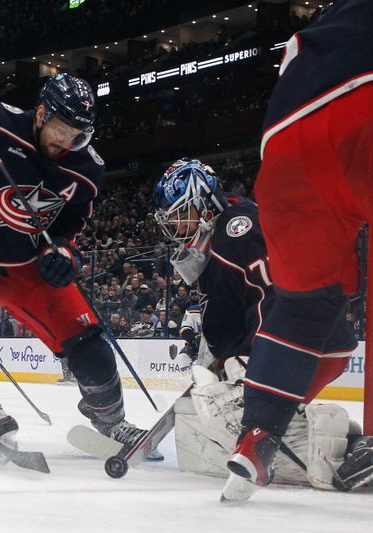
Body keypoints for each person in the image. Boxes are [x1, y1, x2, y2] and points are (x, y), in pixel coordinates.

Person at [0, 73, 150, 454]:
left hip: (27, 266)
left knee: (90, 343)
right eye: (61, 130)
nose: (67, 142)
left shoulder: (88, 168)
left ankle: (111, 420)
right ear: (40, 113)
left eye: (78, 135)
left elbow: (71, 225)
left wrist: (65, 254)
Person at [152, 157, 372, 498]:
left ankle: (337, 457)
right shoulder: (223, 232)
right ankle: (351, 447)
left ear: (203, 203)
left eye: (180, 214)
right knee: (244, 409)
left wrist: (248, 357)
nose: (176, 226)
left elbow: (279, 294)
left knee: (236, 412)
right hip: (306, 342)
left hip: (306, 344)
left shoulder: (237, 230)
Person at [226, 0, 373, 499]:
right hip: (362, 113)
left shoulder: (321, 28)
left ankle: (257, 436)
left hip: (284, 150)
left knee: (305, 306)